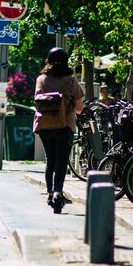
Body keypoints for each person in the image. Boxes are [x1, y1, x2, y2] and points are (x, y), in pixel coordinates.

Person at [33, 47, 84, 214]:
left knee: (51, 160)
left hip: (45, 125)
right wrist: (70, 110)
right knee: (62, 161)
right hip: (64, 125)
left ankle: (49, 193)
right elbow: (79, 107)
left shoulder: (41, 79)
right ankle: (57, 192)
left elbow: (38, 100)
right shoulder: (71, 80)